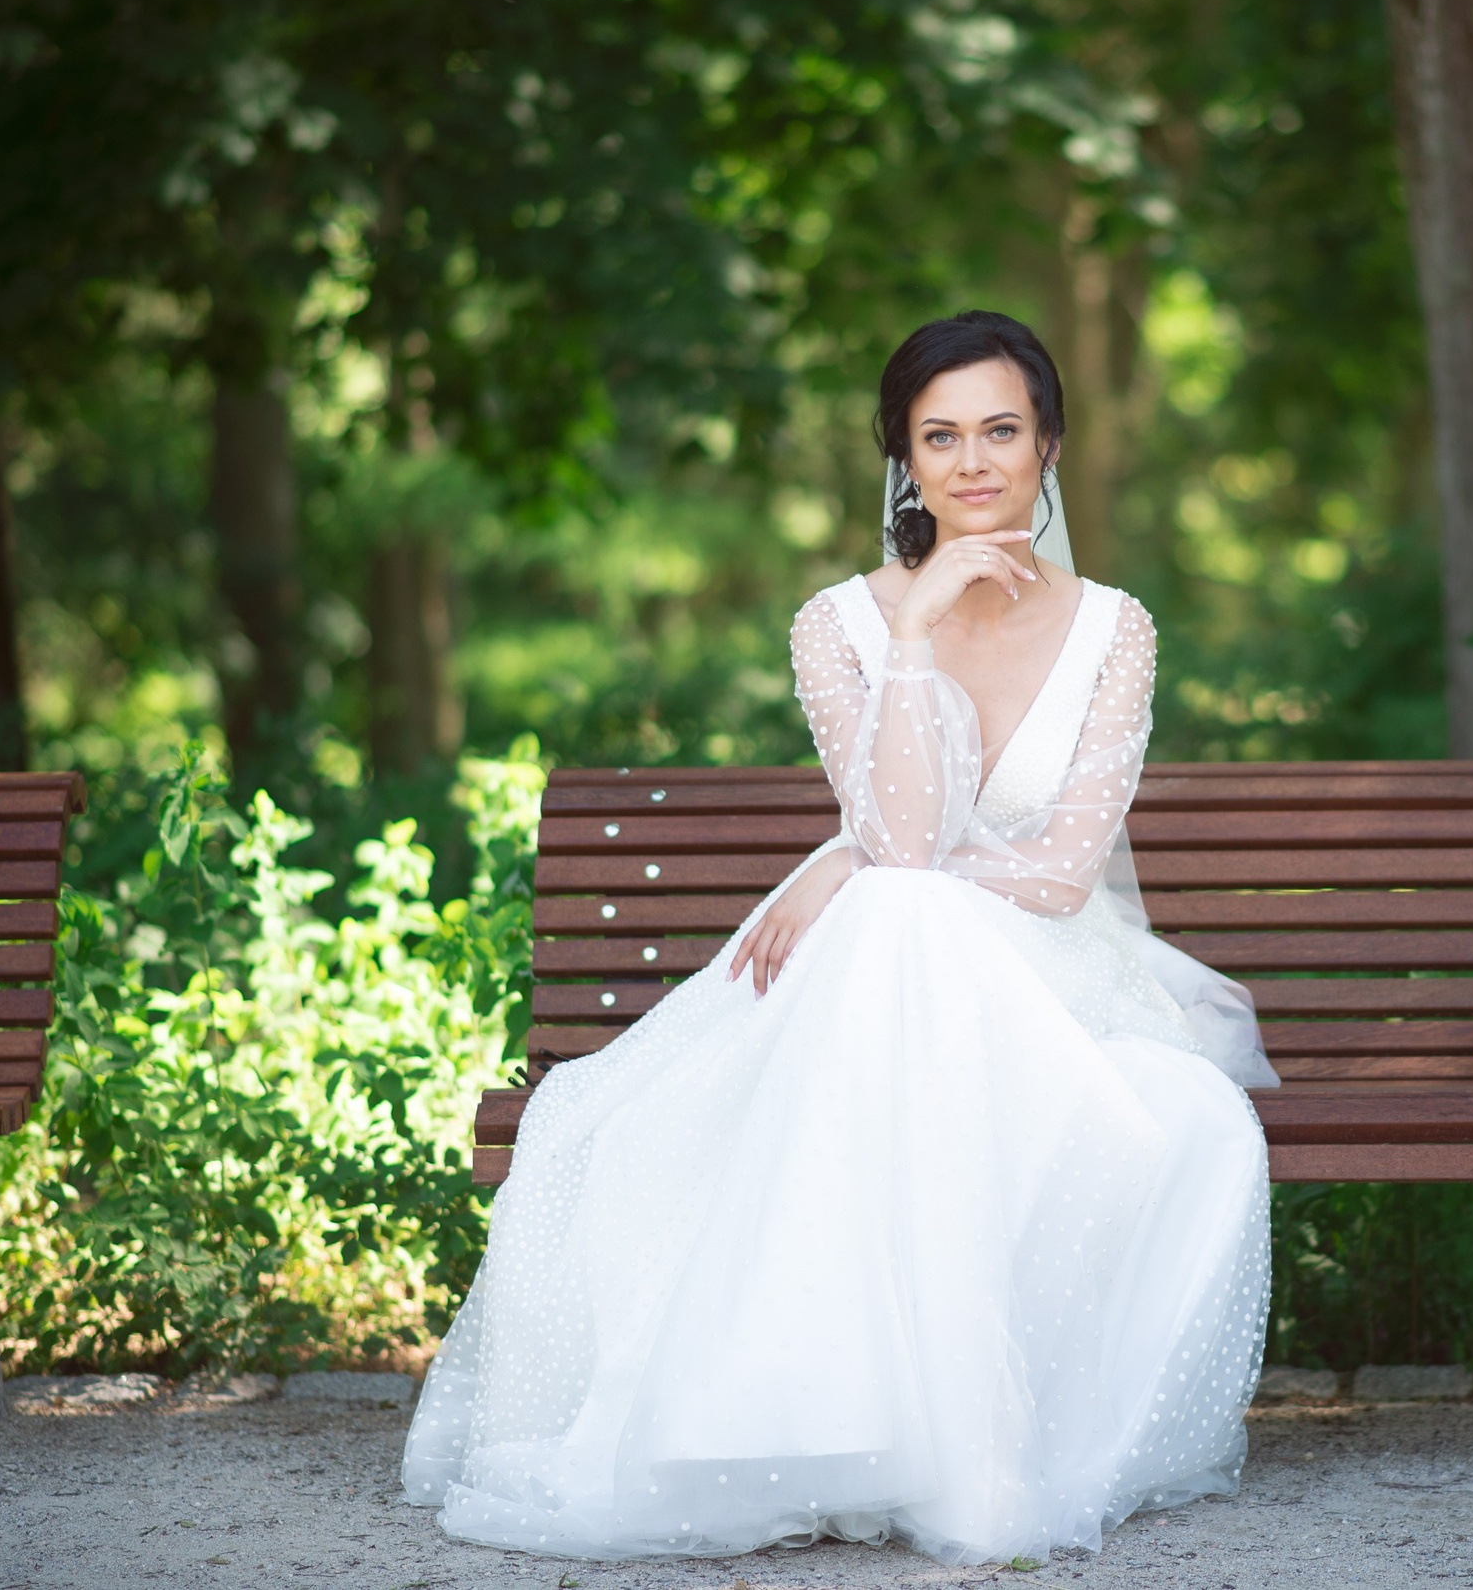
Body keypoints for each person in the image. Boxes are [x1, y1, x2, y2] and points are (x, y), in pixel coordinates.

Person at [401, 310, 1278, 1568]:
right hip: (877, 979)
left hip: (1050, 981)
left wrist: (839, 862)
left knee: (922, 922)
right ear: (901, 461)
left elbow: (1059, 871)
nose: (973, 462)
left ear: (1049, 445)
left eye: (1000, 430)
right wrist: (915, 635)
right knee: (898, 909)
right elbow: (907, 836)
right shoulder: (843, 623)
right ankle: (862, 1424)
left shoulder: (1114, 626)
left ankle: (941, 1429)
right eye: (940, 436)